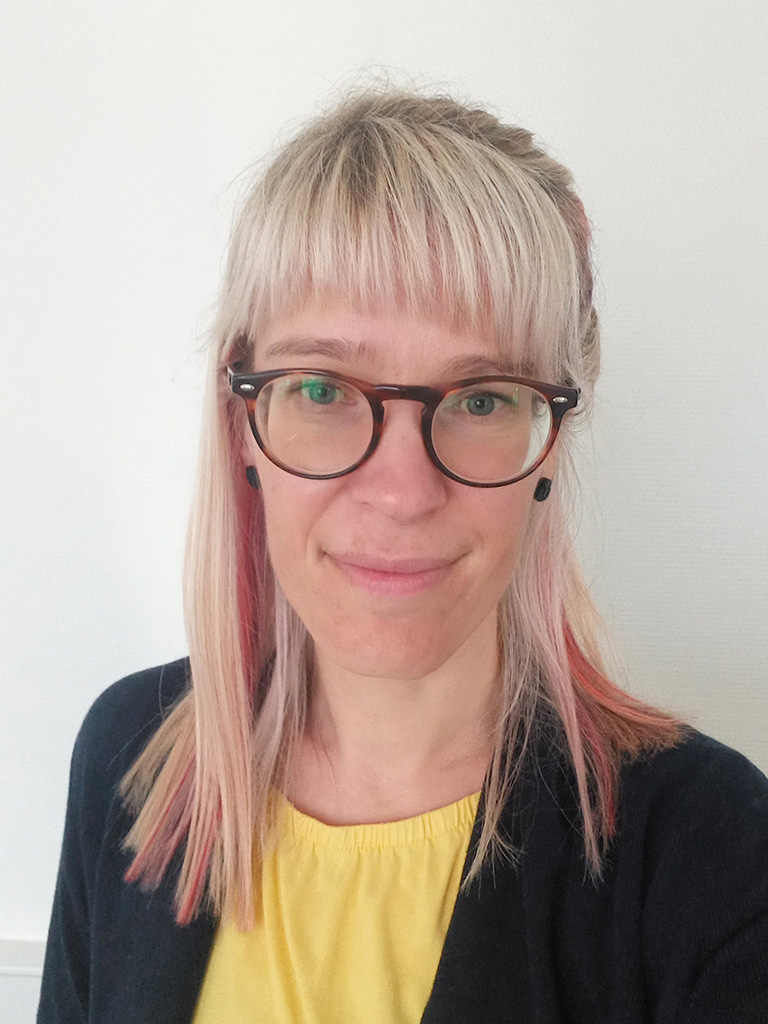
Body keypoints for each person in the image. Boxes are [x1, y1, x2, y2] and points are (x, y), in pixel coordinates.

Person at [38, 87, 768, 1024]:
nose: (402, 492)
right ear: (242, 423)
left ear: (550, 441)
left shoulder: (715, 856)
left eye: (480, 399)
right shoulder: (127, 759)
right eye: (322, 388)